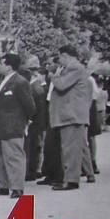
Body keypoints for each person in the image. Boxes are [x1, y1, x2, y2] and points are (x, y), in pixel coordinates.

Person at [0, 53, 36, 200]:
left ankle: (17, 187)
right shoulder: (2, 81)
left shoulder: (20, 82)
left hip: (13, 125)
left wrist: (23, 121)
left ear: (9, 66)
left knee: (14, 156)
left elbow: (30, 106)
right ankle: (3, 185)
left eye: (2, 63)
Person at [49, 45, 92, 191]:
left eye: (60, 57)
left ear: (66, 55)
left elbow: (61, 85)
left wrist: (54, 75)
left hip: (72, 115)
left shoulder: (74, 68)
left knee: (71, 150)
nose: (59, 61)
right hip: (69, 115)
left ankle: (71, 180)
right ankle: (68, 178)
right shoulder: (73, 68)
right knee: (68, 149)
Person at [24, 55, 49, 182]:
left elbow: (32, 107)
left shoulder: (34, 88)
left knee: (31, 147)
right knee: (35, 147)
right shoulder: (38, 87)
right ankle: (33, 170)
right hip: (39, 121)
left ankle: (30, 171)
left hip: (34, 122)